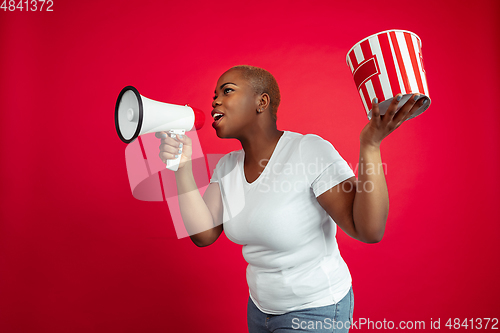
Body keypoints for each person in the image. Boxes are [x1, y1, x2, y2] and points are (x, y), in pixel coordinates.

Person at [156, 65, 428, 333]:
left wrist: (370, 145)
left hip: (315, 311)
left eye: (227, 91)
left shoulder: (307, 150)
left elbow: (368, 231)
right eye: (214, 94)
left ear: (261, 102)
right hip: (260, 310)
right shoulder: (227, 166)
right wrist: (182, 168)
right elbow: (203, 234)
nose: (215, 100)